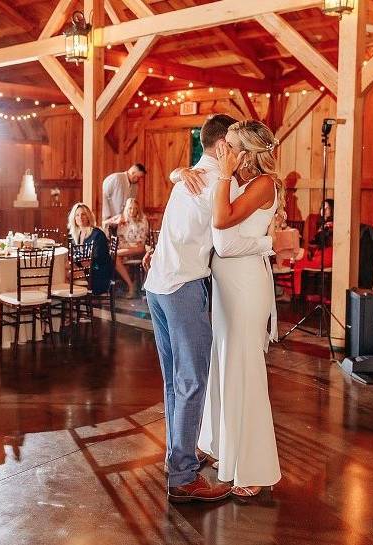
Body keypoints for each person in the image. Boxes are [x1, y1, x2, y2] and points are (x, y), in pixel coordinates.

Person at [142, 114, 271, 503]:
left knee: (175, 382)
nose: (238, 152)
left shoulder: (191, 177)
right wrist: (267, 244)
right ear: (221, 148)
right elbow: (227, 239)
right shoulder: (218, 182)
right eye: (233, 144)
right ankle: (183, 477)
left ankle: (178, 458)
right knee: (193, 381)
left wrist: (176, 174)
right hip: (182, 288)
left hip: (157, 287)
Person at [195, 119, 283, 499]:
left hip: (246, 287)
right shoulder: (238, 181)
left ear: (245, 151)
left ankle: (255, 467)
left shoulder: (263, 184)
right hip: (226, 287)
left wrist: (224, 178)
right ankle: (223, 449)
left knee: (244, 370)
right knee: (223, 366)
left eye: (229, 145)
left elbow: (222, 226)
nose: (221, 151)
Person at [102, 197, 148, 298]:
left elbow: (140, 242)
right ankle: (131, 285)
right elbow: (104, 226)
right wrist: (115, 221)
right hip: (124, 250)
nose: (132, 211)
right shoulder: (122, 220)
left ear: (137, 209)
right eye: (129, 208)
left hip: (138, 248)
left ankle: (130, 286)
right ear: (126, 209)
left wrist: (126, 246)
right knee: (115, 257)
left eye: (134, 208)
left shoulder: (142, 220)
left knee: (114, 254)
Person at [290, 199, 333, 295]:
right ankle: (295, 293)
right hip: (318, 254)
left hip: (327, 256)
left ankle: (295, 293)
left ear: (332, 210)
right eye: (322, 207)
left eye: (327, 208)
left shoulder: (330, 225)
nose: (324, 210)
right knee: (296, 260)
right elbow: (313, 243)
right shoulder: (322, 224)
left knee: (295, 257)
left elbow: (320, 242)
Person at [68, 203, 113, 296]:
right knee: (63, 269)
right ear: (74, 218)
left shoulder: (97, 234)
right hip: (86, 269)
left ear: (88, 216)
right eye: (77, 215)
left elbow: (98, 260)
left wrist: (77, 264)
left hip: (98, 272)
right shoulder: (76, 235)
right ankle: (73, 300)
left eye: (83, 214)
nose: (80, 217)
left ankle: (72, 301)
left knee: (67, 274)